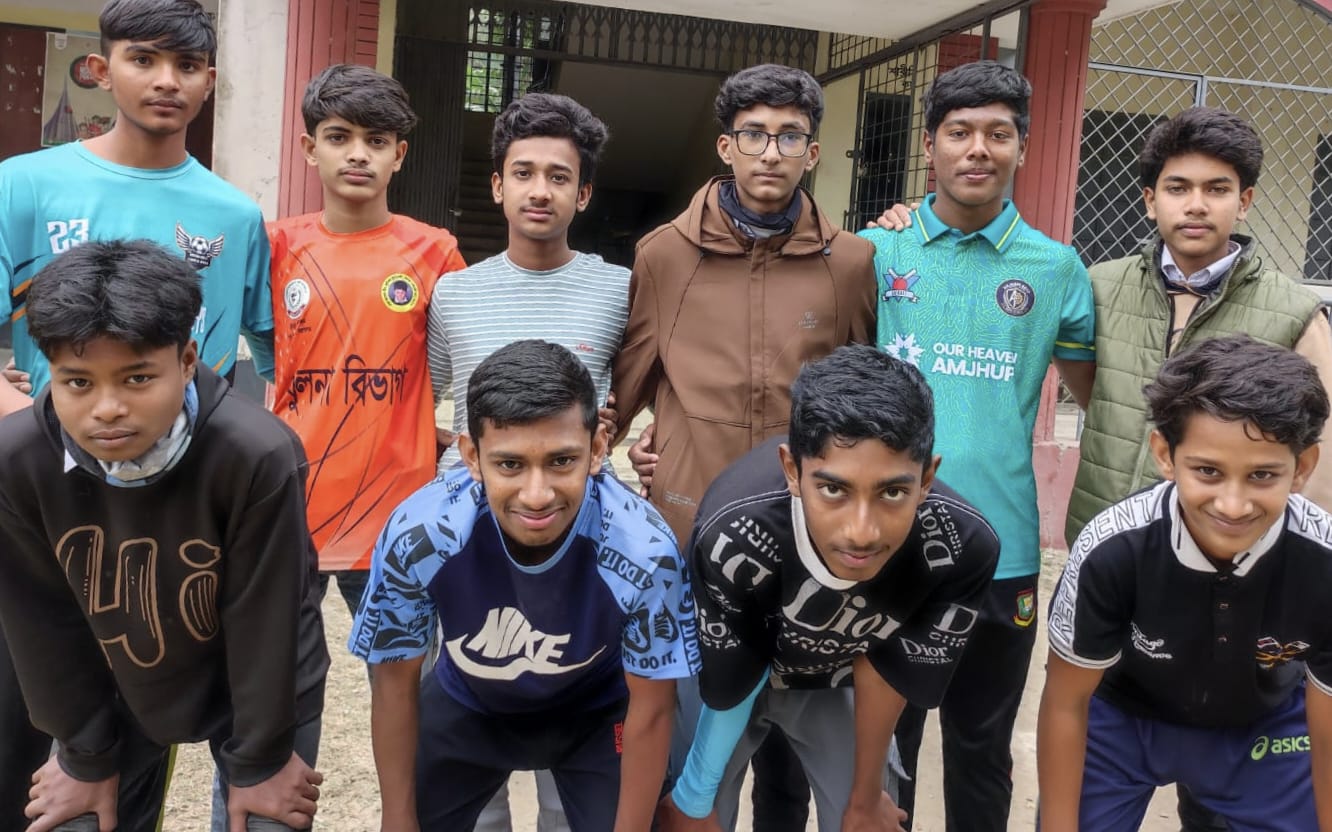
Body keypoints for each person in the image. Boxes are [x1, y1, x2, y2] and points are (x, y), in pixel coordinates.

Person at [0, 2, 273, 826]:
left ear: (209, 81)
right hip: (40, 509)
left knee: (134, 750)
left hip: (164, 526)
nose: (165, 81)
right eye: (143, 59)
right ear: (100, 67)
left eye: (186, 66)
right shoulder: (24, 185)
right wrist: (31, 438)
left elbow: (247, 370)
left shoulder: (235, 217)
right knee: (24, 723)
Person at [611, 62, 876, 828]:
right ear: (725, 146)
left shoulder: (850, 263)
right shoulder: (664, 256)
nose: (770, 152)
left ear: (813, 153)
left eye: (790, 137)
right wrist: (623, 455)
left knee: (789, 760)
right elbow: (628, 383)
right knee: (699, 754)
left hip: (810, 545)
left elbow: (866, 397)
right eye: (754, 134)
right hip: (693, 535)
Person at [1061, 107, 1332, 832]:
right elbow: (1092, 389)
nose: (1196, 204)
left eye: (1218, 189)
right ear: (1149, 198)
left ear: (1245, 201)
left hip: (1237, 581)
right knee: (1105, 726)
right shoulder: (1098, 286)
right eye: (1178, 187)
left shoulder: (1294, 311)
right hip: (1117, 565)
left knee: (1221, 751)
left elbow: (1318, 451)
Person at [0, 240, 328, 832]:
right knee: (77, 816)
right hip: (111, 670)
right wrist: (83, 752)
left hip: (255, 676)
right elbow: (41, 619)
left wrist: (261, 759)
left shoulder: (256, 454)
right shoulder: (18, 460)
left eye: (137, 377)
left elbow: (268, 616)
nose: (107, 408)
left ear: (186, 359)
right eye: (78, 382)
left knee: (269, 816)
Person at [859, 60, 1096, 832]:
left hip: (1005, 551)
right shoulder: (876, 252)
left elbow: (1100, 391)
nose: (978, 149)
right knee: (880, 751)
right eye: (959, 132)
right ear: (930, 145)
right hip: (886, 543)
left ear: (1022, 148)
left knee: (981, 746)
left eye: (998, 134)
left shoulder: (1056, 268)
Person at [348, 339, 699, 831]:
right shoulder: (420, 535)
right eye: (510, 464)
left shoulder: (644, 549)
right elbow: (394, 681)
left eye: (561, 461)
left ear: (598, 449)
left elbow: (654, 707)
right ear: (471, 456)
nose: (537, 495)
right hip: (468, 702)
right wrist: (397, 818)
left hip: (598, 714)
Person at [655, 344, 999, 832]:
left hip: (838, 678)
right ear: (792, 470)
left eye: (893, 492)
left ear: (927, 479)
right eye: (834, 489)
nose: (861, 532)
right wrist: (694, 796)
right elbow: (734, 672)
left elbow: (888, 669)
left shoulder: (961, 547)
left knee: (866, 821)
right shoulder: (734, 531)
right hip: (725, 679)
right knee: (693, 815)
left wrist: (865, 797)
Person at [425, 91, 623, 831]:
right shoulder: (453, 294)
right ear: (497, 185)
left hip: (580, 538)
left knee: (573, 706)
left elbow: (640, 394)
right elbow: (432, 403)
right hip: (471, 541)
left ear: (584, 193)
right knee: (473, 709)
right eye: (524, 173)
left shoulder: (619, 289)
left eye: (560, 176)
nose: (541, 190)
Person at [1039, 334, 1332, 831]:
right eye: (1208, 471)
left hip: (1261, 724)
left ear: (1301, 467)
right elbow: (1066, 703)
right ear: (1165, 455)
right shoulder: (1113, 548)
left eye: (1263, 475)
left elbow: (1326, 730)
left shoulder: (1323, 562)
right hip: (1120, 721)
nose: (1233, 505)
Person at [265, 63, 466, 616]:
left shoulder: (436, 252)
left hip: (396, 508)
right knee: (281, 664)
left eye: (375, 141)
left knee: (401, 666)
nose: (358, 155)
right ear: (310, 148)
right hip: (291, 498)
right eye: (339, 137)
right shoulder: (275, 246)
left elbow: (471, 356)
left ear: (398, 155)